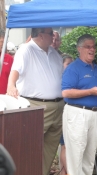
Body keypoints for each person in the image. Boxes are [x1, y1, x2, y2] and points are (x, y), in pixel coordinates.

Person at [7, 28, 64, 175]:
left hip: (58, 106)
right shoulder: (25, 50)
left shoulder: (54, 54)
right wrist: (11, 85)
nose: (54, 36)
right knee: (29, 146)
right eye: (50, 33)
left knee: (50, 149)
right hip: (36, 105)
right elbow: (15, 70)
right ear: (40, 34)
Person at [61, 34, 97, 175]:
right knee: (76, 153)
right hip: (77, 113)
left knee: (90, 154)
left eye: (94, 46)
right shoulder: (73, 68)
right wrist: (90, 92)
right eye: (88, 46)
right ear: (79, 49)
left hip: (95, 114)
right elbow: (66, 93)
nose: (92, 49)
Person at [0, 29, 14, 94]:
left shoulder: (9, 59)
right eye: (0, 41)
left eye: (3, 42)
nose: (1, 44)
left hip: (5, 97)